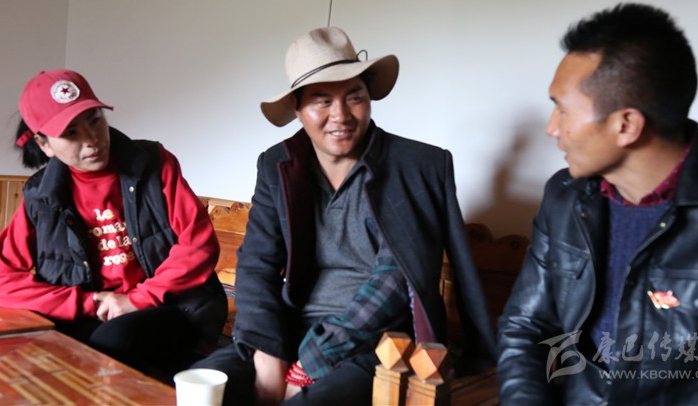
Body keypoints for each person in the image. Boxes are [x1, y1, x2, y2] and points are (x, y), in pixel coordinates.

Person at [194, 27, 496, 405]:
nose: (341, 115)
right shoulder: (278, 165)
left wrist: (309, 363)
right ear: (297, 109)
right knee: (198, 392)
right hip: (289, 328)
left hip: (380, 343)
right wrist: (268, 355)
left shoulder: (417, 166)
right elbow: (256, 263)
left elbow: (394, 279)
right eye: (322, 101)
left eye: (354, 97)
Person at [497, 3, 698, 404]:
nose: (552, 128)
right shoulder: (565, 196)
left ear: (626, 125)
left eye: (562, 109)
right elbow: (525, 327)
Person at [0, 69, 227, 384]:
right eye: (71, 133)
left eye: (95, 120)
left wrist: (137, 299)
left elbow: (199, 243)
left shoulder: (153, 163)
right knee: (29, 348)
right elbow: (0, 281)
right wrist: (86, 303)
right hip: (93, 313)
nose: (91, 140)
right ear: (44, 144)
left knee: (110, 342)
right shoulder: (41, 196)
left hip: (172, 307)